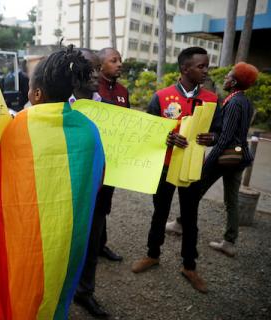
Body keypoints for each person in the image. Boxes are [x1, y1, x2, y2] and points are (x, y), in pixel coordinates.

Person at [0, 45, 105, 320]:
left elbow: (1, 178)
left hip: (25, 233)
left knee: (23, 285)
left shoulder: (18, 126)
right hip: (67, 233)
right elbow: (97, 179)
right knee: (56, 284)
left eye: (29, 89)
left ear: (36, 93)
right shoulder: (88, 128)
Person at [131, 47, 219, 294]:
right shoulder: (162, 97)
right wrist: (167, 138)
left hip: (193, 168)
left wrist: (211, 137)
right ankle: (152, 254)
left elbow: (219, 131)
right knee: (160, 212)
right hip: (165, 166)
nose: (206, 70)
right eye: (201, 66)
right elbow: (147, 130)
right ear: (185, 68)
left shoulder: (212, 99)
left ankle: (189, 266)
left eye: (207, 66)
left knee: (190, 218)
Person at [167, 62, 259, 257]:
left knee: (196, 189)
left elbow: (225, 136)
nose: (225, 78)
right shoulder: (245, 101)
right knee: (231, 200)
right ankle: (229, 241)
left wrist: (208, 163)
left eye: (228, 76)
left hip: (225, 157)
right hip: (239, 155)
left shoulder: (233, 103)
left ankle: (181, 224)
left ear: (234, 82)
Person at [69, 48, 109, 319]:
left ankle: (84, 292)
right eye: (91, 69)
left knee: (91, 245)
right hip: (65, 191)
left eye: (98, 68)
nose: (98, 74)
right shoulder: (57, 105)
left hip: (97, 192)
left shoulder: (107, 109)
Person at [94, 47, 128, 263]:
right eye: (113, 60)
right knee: (92, 204)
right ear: (100, 65)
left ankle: (100, 245)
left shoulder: (123, 91)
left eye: (119, 60)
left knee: (105, 203)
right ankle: (88, 247)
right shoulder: (91, 89)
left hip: (113, 158)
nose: (118, 64)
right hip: (94, 158)